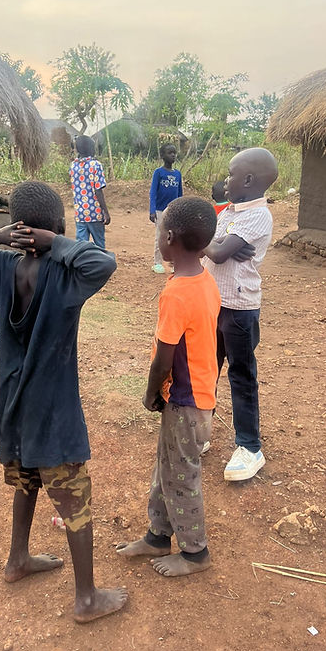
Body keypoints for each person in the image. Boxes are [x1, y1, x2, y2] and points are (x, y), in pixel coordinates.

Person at [0, 181, 127, 623]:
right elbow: (104, 261)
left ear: (15, 229)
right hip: (53, 413)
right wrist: (60, 243)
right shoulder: (67, 274)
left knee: (27, 481)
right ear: (58, 230)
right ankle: (86, 599)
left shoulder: (1, 268)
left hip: (11, 408)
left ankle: (18, 560)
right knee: (74, 499)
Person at [116, 196, 220, 577]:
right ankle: (158, 535)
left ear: (170, 237)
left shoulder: (176, 293)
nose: (158, 237)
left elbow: (164, 356)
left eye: (160, 231)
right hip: (196, 396)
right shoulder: (204, 280)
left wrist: (149, 393)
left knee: (182, 475)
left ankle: (195, 553)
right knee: (168, 468)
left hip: (185, 400)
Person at [202, 148, 278, 482]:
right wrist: (218, 243)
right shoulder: (230, 212)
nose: (225, 180)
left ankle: (249, 447)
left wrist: (208, 242)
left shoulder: (258, 215)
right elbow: (218, 247)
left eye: (231, 174)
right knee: (207, 369)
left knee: (241, 376)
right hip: (213, 304)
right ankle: (202, 432)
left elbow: (217, 253)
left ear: (248, 179)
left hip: (239, 309)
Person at [70, 135, 111, 249]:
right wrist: (106, 212)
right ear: (90, 148)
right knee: (99, 244)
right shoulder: (95, 165)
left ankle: (81, 266)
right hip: (95, 213)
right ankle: (100, 265)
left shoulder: (73, 166)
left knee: (81, 246)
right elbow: (98, 191)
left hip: (80, 213)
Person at [149, 143, 183, 273]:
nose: (173, 155)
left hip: (173, 210)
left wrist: (180, 209)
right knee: (160, 236)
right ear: (163, 155)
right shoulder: (158, 172)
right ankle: (157, 263)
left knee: (175, 237)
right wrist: (152, 211)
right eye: (170, 153)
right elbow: (153, 192)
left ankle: (174, 263)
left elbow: (180, 193)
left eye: (174, 153)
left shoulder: (178, 174)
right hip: (159, 210)